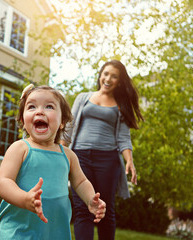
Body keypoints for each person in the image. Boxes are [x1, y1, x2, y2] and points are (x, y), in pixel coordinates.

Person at [0, 85, 106, 240]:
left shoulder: (68, 155)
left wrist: (90, 199)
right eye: (31, 106)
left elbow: (80, 182)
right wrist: (24, 199)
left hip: (54, 232)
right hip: (19, 230)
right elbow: (3, 182)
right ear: (23, 121)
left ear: (62, 122)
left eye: (49, 106)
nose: (39, 111)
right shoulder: (20, 148)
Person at [61, 60, 144, 240]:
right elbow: (69, 127)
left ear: (120, 82)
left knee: (105, 210)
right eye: (106, 73)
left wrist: (129, 160)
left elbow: (123, 137)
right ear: (100, 74)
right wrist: (59, 152)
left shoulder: (121, 106)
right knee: (83, 208)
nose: (108, 78)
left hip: (108, 160)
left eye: (114, 76)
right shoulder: (83, 98)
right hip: (80, 157)